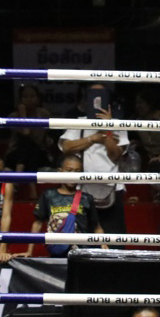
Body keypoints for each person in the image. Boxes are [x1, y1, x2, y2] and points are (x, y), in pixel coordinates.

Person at [58, 83, 129, 240]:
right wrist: (93, 138)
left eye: (101, 96)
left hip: (112, 188)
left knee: (113, 240)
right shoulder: (79, 122)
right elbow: (67, 147)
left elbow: (116, 155)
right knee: (83, 238)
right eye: (92, 96)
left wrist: (107, 129)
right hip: (83, 188)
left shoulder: (118, 124)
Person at [22, 153, 104, 257]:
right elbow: (37, 223)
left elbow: (97, 227)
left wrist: (104, 246)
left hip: (81, 253)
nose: (73, 175)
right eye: (69, 170)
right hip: (57, 251)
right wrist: (29, 251)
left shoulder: (87, 198)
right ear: (60, 172)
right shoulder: (49, 195)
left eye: (77, 171)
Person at [5, 84, 54, 197]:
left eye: (32, 96)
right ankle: (32, 188)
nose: (29, 99)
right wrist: (22, 114)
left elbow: (36, 139)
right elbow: (25, 132)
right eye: (25, 96)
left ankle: (18, 177)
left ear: (38, 98)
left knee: (31, 147)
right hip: (15, 155)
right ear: (20, 100)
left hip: (39, 154)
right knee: (25, 142)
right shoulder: (13, 116)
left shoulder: (43, 114)